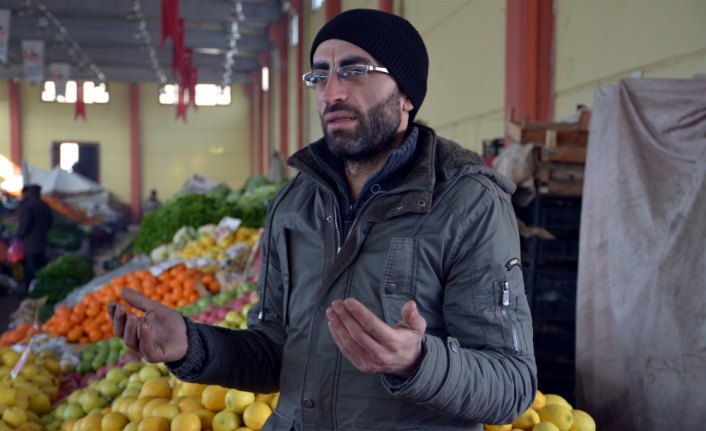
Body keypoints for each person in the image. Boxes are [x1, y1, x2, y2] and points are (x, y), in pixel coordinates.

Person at [109, 9, 536, 430]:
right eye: (319, 76)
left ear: (406, 94)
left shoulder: (468, 204)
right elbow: (279, 351)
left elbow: (512, 385)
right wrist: (192, 345)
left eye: (353, 72)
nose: (331, 93)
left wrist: (416, 361)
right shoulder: (295, 203)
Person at [16, 184, 53, 289]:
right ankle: (40, 288)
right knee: (40, 267)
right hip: (42, 240)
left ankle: (29, 290)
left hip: (30, 243)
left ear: (30, 193)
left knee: (30, 269)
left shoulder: (28, 206)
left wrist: (19, 236)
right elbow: (50, 222)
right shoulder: (44, 205)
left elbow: (25, 224)